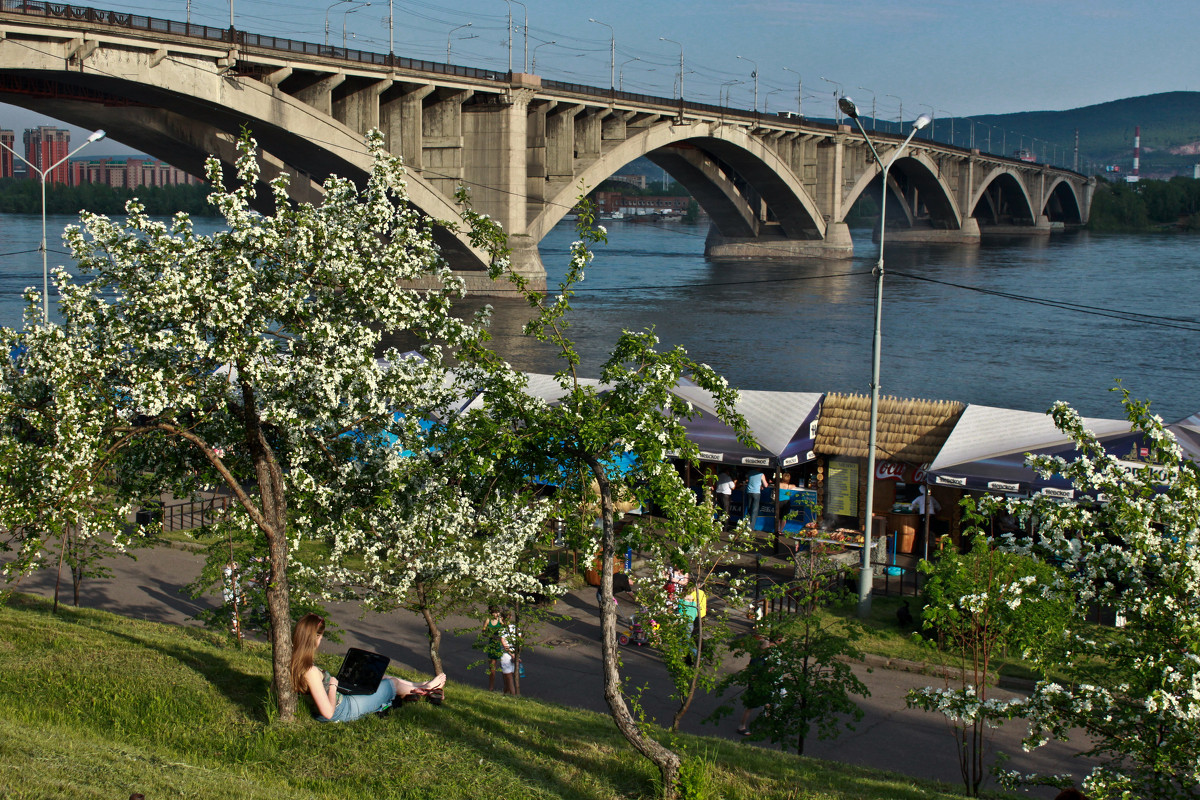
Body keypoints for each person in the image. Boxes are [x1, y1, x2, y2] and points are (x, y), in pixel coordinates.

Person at [291, 613, 446, 722]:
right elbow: (328, 712)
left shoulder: (292, 662)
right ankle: (428, 688)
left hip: (342, 700)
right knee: (392, 684)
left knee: (379, 678)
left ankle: (420, 686)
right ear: (316, 637)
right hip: (345, 709)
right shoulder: (310, 671)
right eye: (321, 636)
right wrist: (332, 685)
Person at [481, 605, 505, 692]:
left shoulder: (500, 620)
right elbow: (483, 632)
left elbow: (506, 628)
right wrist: (491, 635)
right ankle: (491, 687)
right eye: (495, 613)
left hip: (500, 645)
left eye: (497, 612)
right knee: (492, 668)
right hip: (492, 645)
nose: (496, 614)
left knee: (504, 667)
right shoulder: (488, 620)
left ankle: (507, 688)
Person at [498, 610, 521, 696]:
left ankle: (513, 695)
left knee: (508, 676)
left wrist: (512, 654)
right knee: (509, 674)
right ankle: (506, 692)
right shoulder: (516, 628)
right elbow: (520, 642)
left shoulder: (502, 630)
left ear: (502, 618)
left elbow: (504, 645)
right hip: (515, 653)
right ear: (510, 617)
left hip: (506, 656)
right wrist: (517, 654)